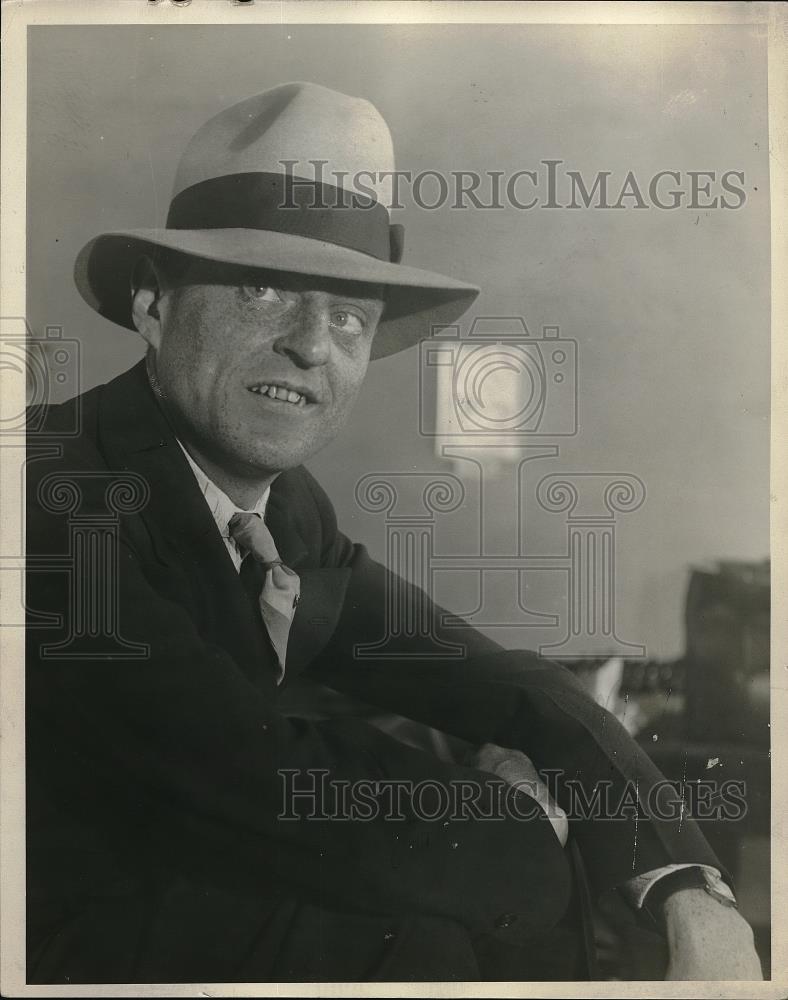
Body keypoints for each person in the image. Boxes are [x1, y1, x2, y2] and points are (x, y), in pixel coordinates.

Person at [25, 82, 762, 983]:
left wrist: (692, 888)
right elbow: (254, 781)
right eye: (262, 289)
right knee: (448, 929)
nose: (310, 345)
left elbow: (506, 685)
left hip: (184, 907)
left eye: (348, 316)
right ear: (153, 304)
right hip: (45, 951)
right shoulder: (50, 494)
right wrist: (516, 816)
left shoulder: (285, 511)